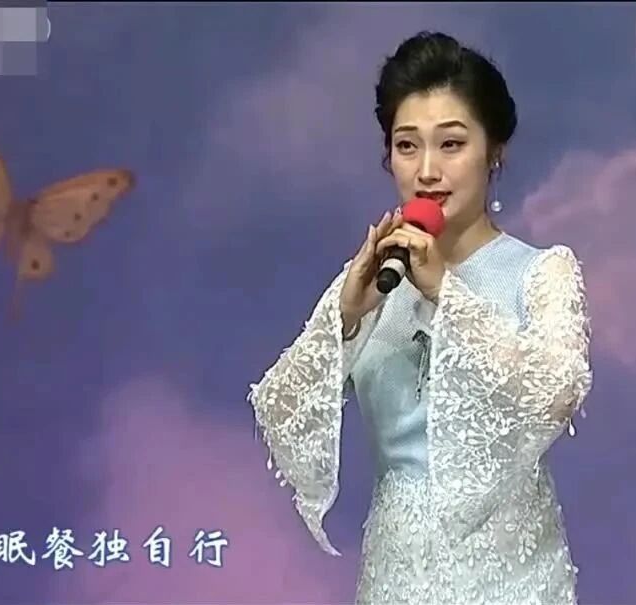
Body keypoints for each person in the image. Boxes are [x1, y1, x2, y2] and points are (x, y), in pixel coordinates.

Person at [247, 31, 593, 605]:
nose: (428, 170)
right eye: (407, 146)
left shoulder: (541, 271)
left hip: (513, 574)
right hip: (397, 574)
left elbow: (558, 393)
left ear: (495, 150)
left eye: (451, 144)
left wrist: (445, 294)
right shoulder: (374, 276)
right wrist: (345, 319)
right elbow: (280, 412)